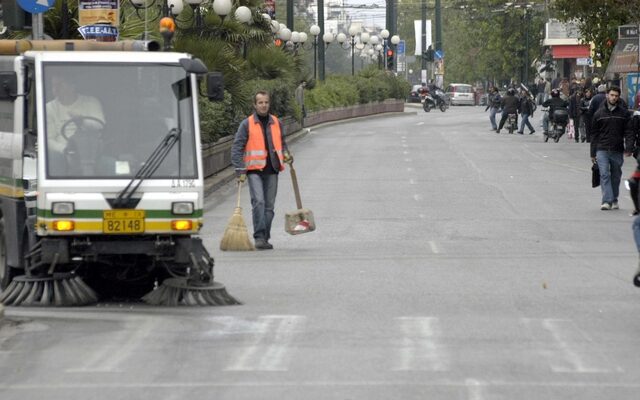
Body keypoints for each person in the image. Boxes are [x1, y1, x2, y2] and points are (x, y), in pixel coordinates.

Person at [231, 91, 293, 250]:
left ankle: (265, 236)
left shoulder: (276, 122)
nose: (263, 105)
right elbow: (237, 147)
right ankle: (259, 236)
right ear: (255, 105)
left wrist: (286, 154)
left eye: (266, 102)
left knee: (269, 207)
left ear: (269, 104)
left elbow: (282, 143)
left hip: (272, 169)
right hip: (253, 171)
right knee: (258, 202)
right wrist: (240, 169)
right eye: (260, 102)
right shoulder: (247, 124)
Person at [590, 86, 635, 210]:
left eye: (616, 96)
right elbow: (594, 134)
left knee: (615, 176)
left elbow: (629, 131)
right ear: (607, 95)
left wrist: (629, 148)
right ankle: (607, 201)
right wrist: (593, 152)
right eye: (612, 95)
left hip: (617, 149)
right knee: (604, 174)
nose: (614, 97)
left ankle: (614, 198)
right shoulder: (599, 113)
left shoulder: (624, 113)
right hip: (602, 149)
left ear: (618, 97)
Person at [45, 75, 105, 153]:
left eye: (60, 85)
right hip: (62, 153)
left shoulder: (91, 102)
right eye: (54, 85)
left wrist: (82, 121)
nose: (55, 89)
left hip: (90, 150)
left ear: (73, 86)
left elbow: (100, 125)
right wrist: (65, 150)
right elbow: (48, 139)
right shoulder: (49, 108)